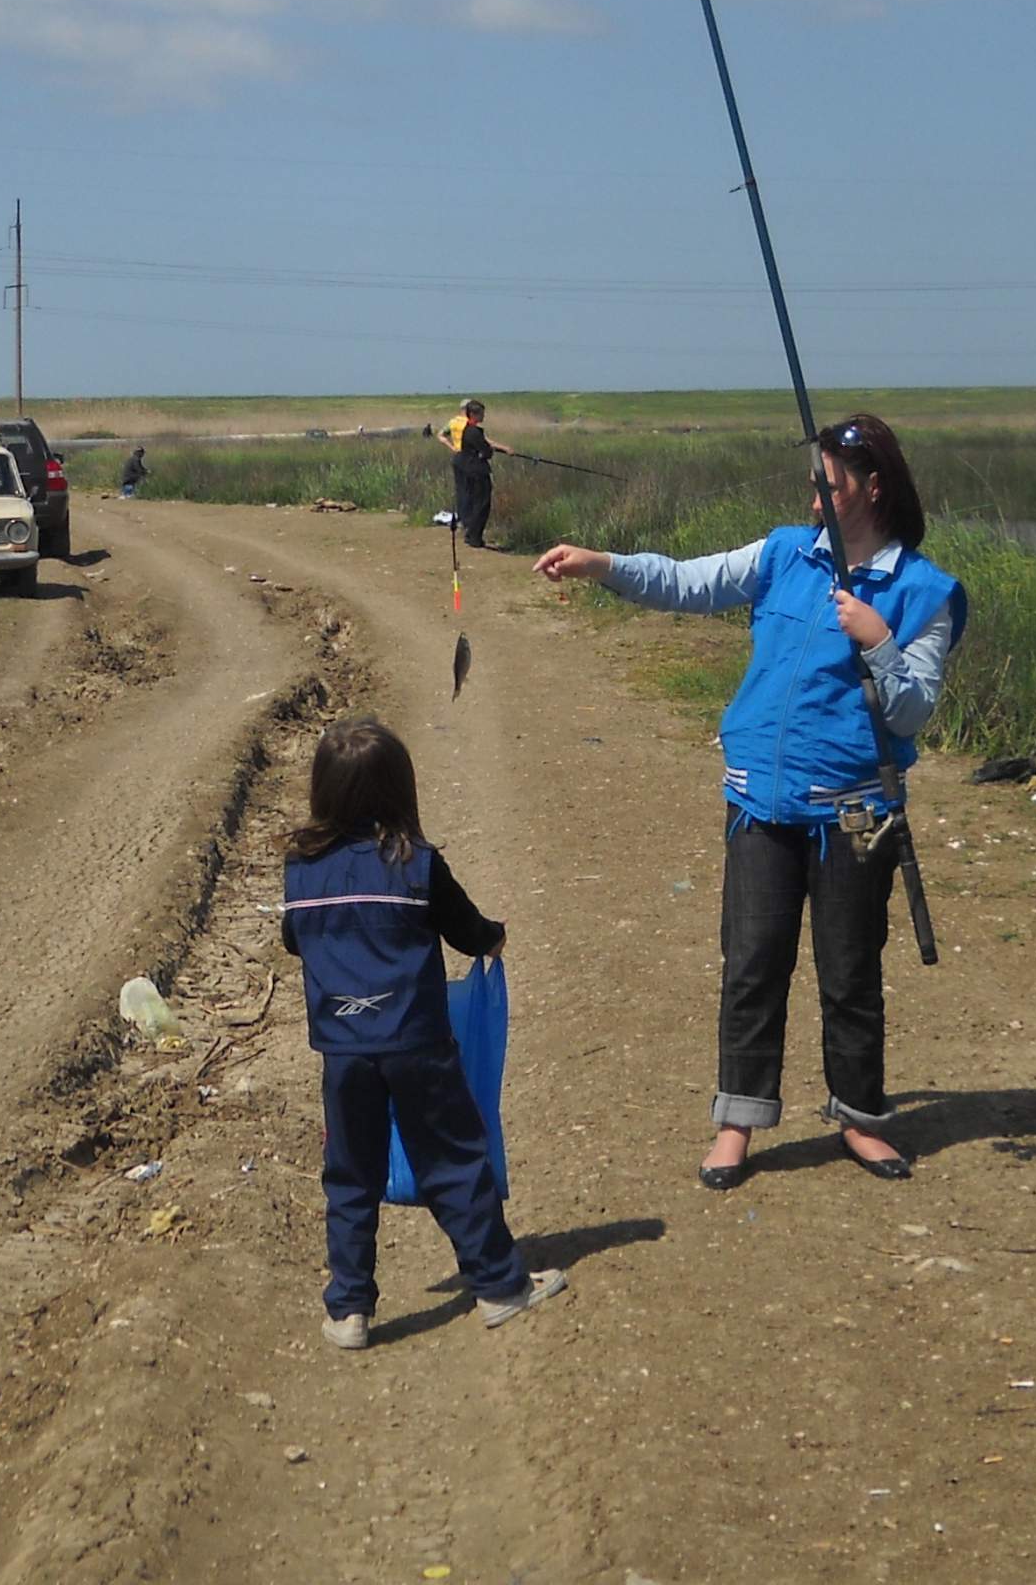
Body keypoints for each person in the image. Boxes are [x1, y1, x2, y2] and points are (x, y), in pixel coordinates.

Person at [535, 414, 965, 1192]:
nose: (814, 495)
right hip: (758, 802)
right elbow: (685, 582)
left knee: (850, 973)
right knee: (752, 965)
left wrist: (877, 639)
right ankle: (738, 1120)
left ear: (873, 488)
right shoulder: (781, 553)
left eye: (828, 483)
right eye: (812, 481)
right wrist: (602, 564)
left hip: (855, 815)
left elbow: (912, 713)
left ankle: (860, 1119)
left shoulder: (923, 592)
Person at [280, 715, 566, 1346]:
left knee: (350, 1175)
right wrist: (494, 938)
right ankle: (499, 1286)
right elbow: (468, 931)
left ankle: (348, 1309)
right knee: (453, 1160)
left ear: (321, 790)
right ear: (399, 790)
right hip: (418, 1044)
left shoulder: (300, 870)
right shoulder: (417, 864)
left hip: (343, 1051)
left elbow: (294, 940)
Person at [437, 398, 514, 548]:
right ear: (472, 413)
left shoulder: (456, 424)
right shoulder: (472, 431)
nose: (483, 417)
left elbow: (442, 435)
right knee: (481, 503)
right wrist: (498, 450)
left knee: (466, 497)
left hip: (461, 463)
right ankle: (474, 537)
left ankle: (468, 530)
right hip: (475, 469)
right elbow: (486, 449)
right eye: (481, 414)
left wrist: (453, 448)